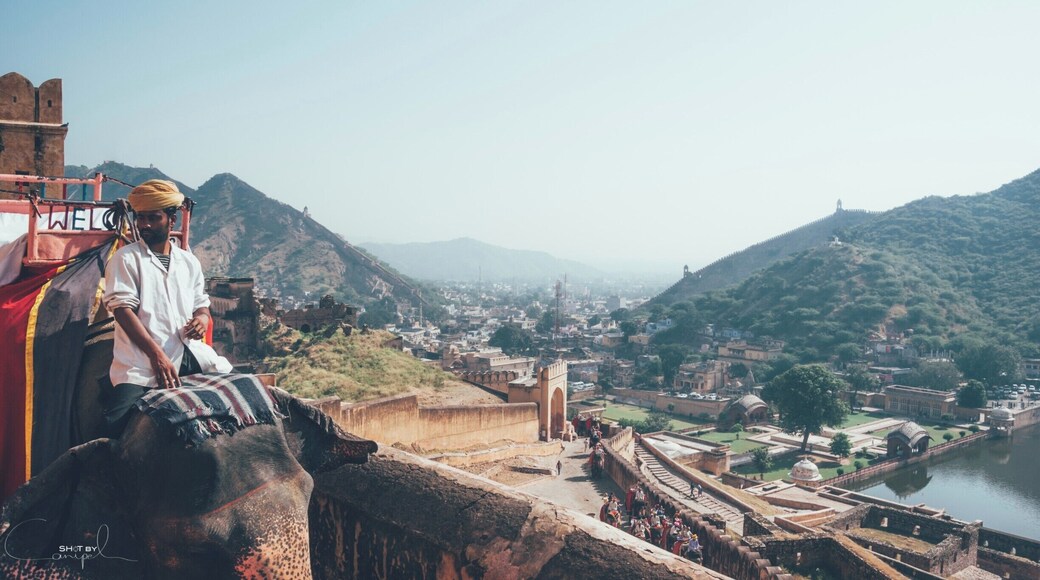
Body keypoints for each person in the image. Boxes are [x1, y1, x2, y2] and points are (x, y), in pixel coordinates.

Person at [100, 180, 232, 434]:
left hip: (191, 356)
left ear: (172, 221)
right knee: (114, 429)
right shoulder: (126, 259)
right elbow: (122, 309)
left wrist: (202, 319)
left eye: (153, 217)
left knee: (240, 399)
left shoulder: (188, 262)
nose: (144, 225)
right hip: (140, 367)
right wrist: (156, 356)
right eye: (140, 217)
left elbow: (201, 305)